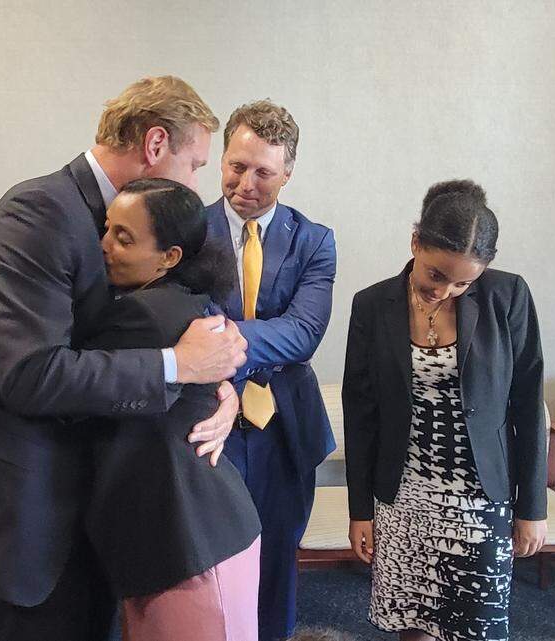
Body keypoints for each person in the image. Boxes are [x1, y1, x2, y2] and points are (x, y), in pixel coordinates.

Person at [0, 76, 248, 641]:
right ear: (154, 145)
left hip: (100, 486)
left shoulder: (139, 221)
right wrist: (176, 367)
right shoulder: (37, 214)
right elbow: (33, 374)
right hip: (35, 496)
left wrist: (220, 383)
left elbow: (179, 319)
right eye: (194, 163)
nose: (197, 181)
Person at [342, 180, 547, 641]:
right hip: (403, 494)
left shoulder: (507, 297)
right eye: (436, 275)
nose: (447, 290)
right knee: (412, 626)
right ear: (416, 242)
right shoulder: (372, 305)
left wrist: (532, 506)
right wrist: (361, 510)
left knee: (477, 626)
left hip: (480, 497)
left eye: (463, 282)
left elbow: (528, 407)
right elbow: (361, 416)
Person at [206, 100, 337, 641]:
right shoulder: (187, 231)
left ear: (288, 171)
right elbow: (180, 319)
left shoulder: (315, 240)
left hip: (285, 425)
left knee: (278, 556)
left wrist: (221, 340)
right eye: (237, 166)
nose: (247, 183)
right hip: (208, 419)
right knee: (212, 560)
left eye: (264, 171)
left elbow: (304, 332)